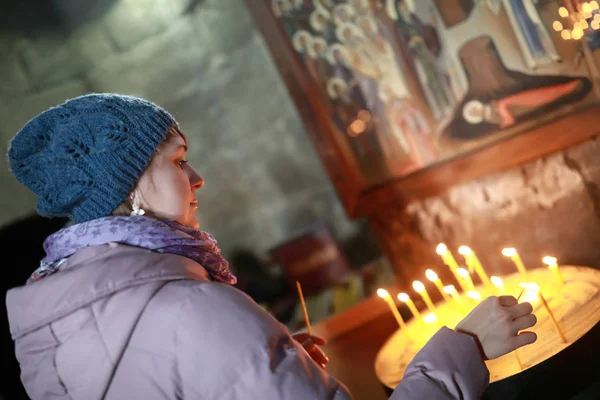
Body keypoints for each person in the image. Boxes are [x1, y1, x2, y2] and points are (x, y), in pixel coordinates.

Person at [5, 93, 537, 400]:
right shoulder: (190, 307)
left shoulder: (67, 314)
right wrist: (465, 346)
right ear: (130, 185)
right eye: (177, 159)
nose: (197, 177)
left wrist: (254, 373)